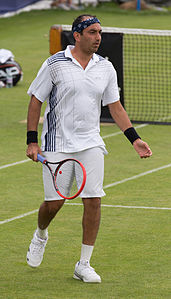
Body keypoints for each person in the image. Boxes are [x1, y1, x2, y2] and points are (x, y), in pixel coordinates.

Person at [26, 14, 152, 283]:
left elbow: (115, 107)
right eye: (92, 32)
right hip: (56, 144)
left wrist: (135, 139)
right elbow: (36, 100)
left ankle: (84, 264)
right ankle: (40, 234)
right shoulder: (54, 64)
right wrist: (32, 141)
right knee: (54, 203)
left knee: (93, 200)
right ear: (78, 35)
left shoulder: (105, 67)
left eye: (100, 32)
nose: (98, 37)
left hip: (91, 143)